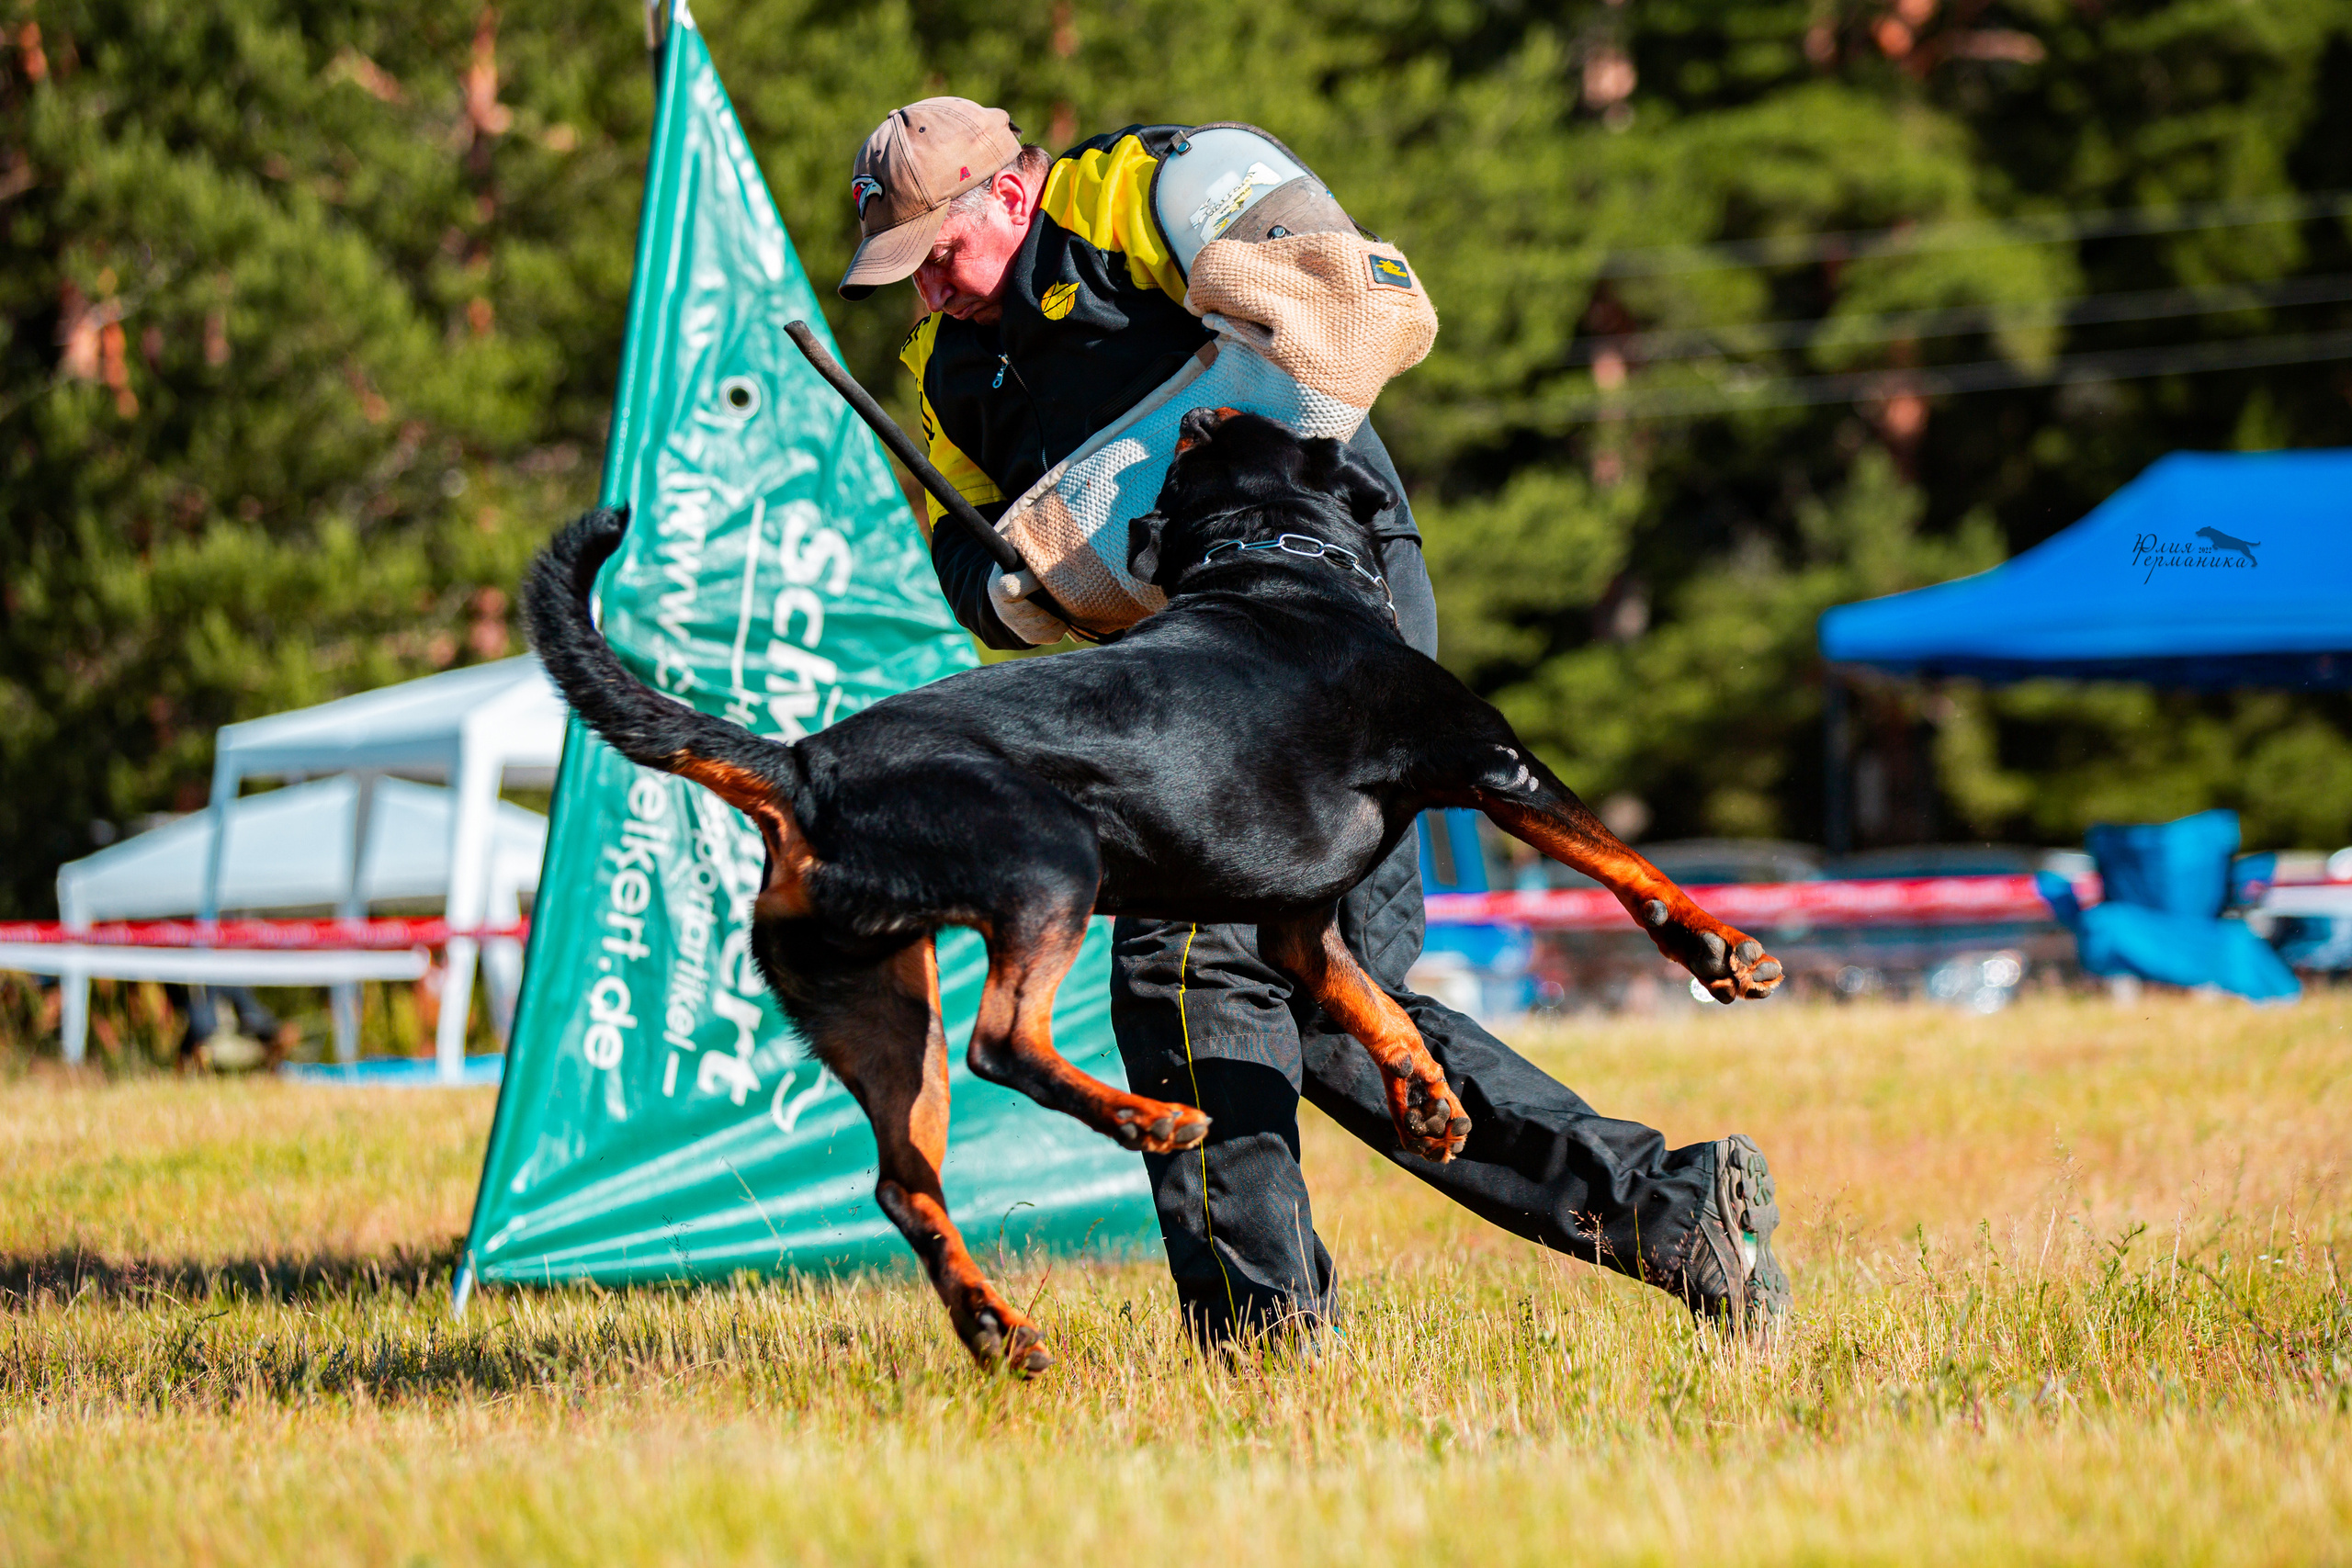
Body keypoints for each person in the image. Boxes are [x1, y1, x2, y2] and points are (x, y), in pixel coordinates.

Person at [838, 98, 1792, 1344]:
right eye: (905, 281)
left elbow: (1353, 310)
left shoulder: (1141, 191)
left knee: (1192, 968)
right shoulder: (943, 377)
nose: (931, 300)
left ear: (1006, 196)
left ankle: (1267, 1344)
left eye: (938, 260)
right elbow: (969, 579)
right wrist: (1035, 580)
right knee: (1323, 1001)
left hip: (1329, 611)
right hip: (1170, 686)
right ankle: (1672, 1212)